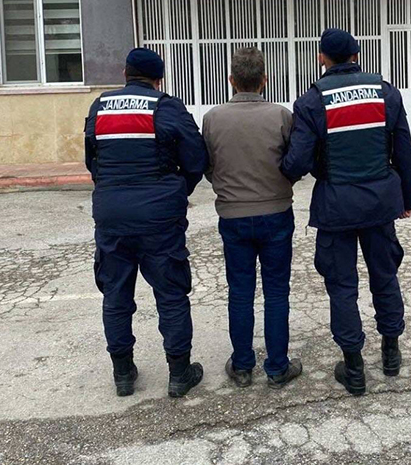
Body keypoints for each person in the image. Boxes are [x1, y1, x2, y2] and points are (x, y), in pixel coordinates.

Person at [281, 28, 411, 396]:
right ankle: (390, 354)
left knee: (342, 286)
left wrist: (289, 171)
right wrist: (408, 197)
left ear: (321, 58)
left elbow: (297, 161)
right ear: (357, 55)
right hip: (380, 204)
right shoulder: (385, 92)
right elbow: (404, 150)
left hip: (336, 206)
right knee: (385, 276)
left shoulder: (312, 100)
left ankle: (354, 368)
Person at [84, 48, 208, 398]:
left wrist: (112, 190)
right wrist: (176, 190)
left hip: (112, 216)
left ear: (125, 74)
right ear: (158, 80)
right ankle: (179, 374)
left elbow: (92, 161)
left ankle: (123, 374)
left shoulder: (100, 106)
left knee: (116, 295)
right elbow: (196, 159)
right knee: (171, 293)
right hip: (160, 217)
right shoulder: (166, 106)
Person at [202, 47, 302, 390]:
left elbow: (208, 166)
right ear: (264, 80)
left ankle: (243, 366)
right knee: (276, 292)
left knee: (240, 291)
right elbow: (294, 162)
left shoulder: (213, 118)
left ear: (231, 80)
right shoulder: (281, 116)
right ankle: (277, 367)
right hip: (276, 213)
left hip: (233, 215)